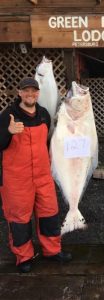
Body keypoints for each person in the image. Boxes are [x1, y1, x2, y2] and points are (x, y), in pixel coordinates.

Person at [0, 77, 72, 273]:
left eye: (34, 91)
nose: (30, 94)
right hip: (16, 179)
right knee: (19, 219)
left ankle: (52, 250)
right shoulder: (8, 115)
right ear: (20, 93)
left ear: (38, 93)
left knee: (49, 213)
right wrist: (8, 131)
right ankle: (23, 257)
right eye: (26, 91)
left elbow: (49, 141)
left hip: (42, 175)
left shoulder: (44, 114)